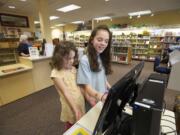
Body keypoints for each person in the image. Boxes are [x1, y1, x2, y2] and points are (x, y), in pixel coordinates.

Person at [50, 41, 85, 130]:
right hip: (69, 105)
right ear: (58, 58)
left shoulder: (73, 69)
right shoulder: (56, 74)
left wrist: (88, 96)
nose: (71, 61)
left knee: (81, 122)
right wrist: (75, 109)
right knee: (71, 125)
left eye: (73, 58)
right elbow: (66, 92)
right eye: (68, 58)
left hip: (79, 101)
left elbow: (79, 86)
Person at [77, 25, 113, 110]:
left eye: (106, 41)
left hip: (102, 95)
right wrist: (100, 96)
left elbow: (103, 78)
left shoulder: (100, 57)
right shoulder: (84, 60)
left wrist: (112, 89)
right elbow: (86, 87)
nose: (103, 43)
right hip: (93, 99)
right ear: (92, 40)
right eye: (99, 40)